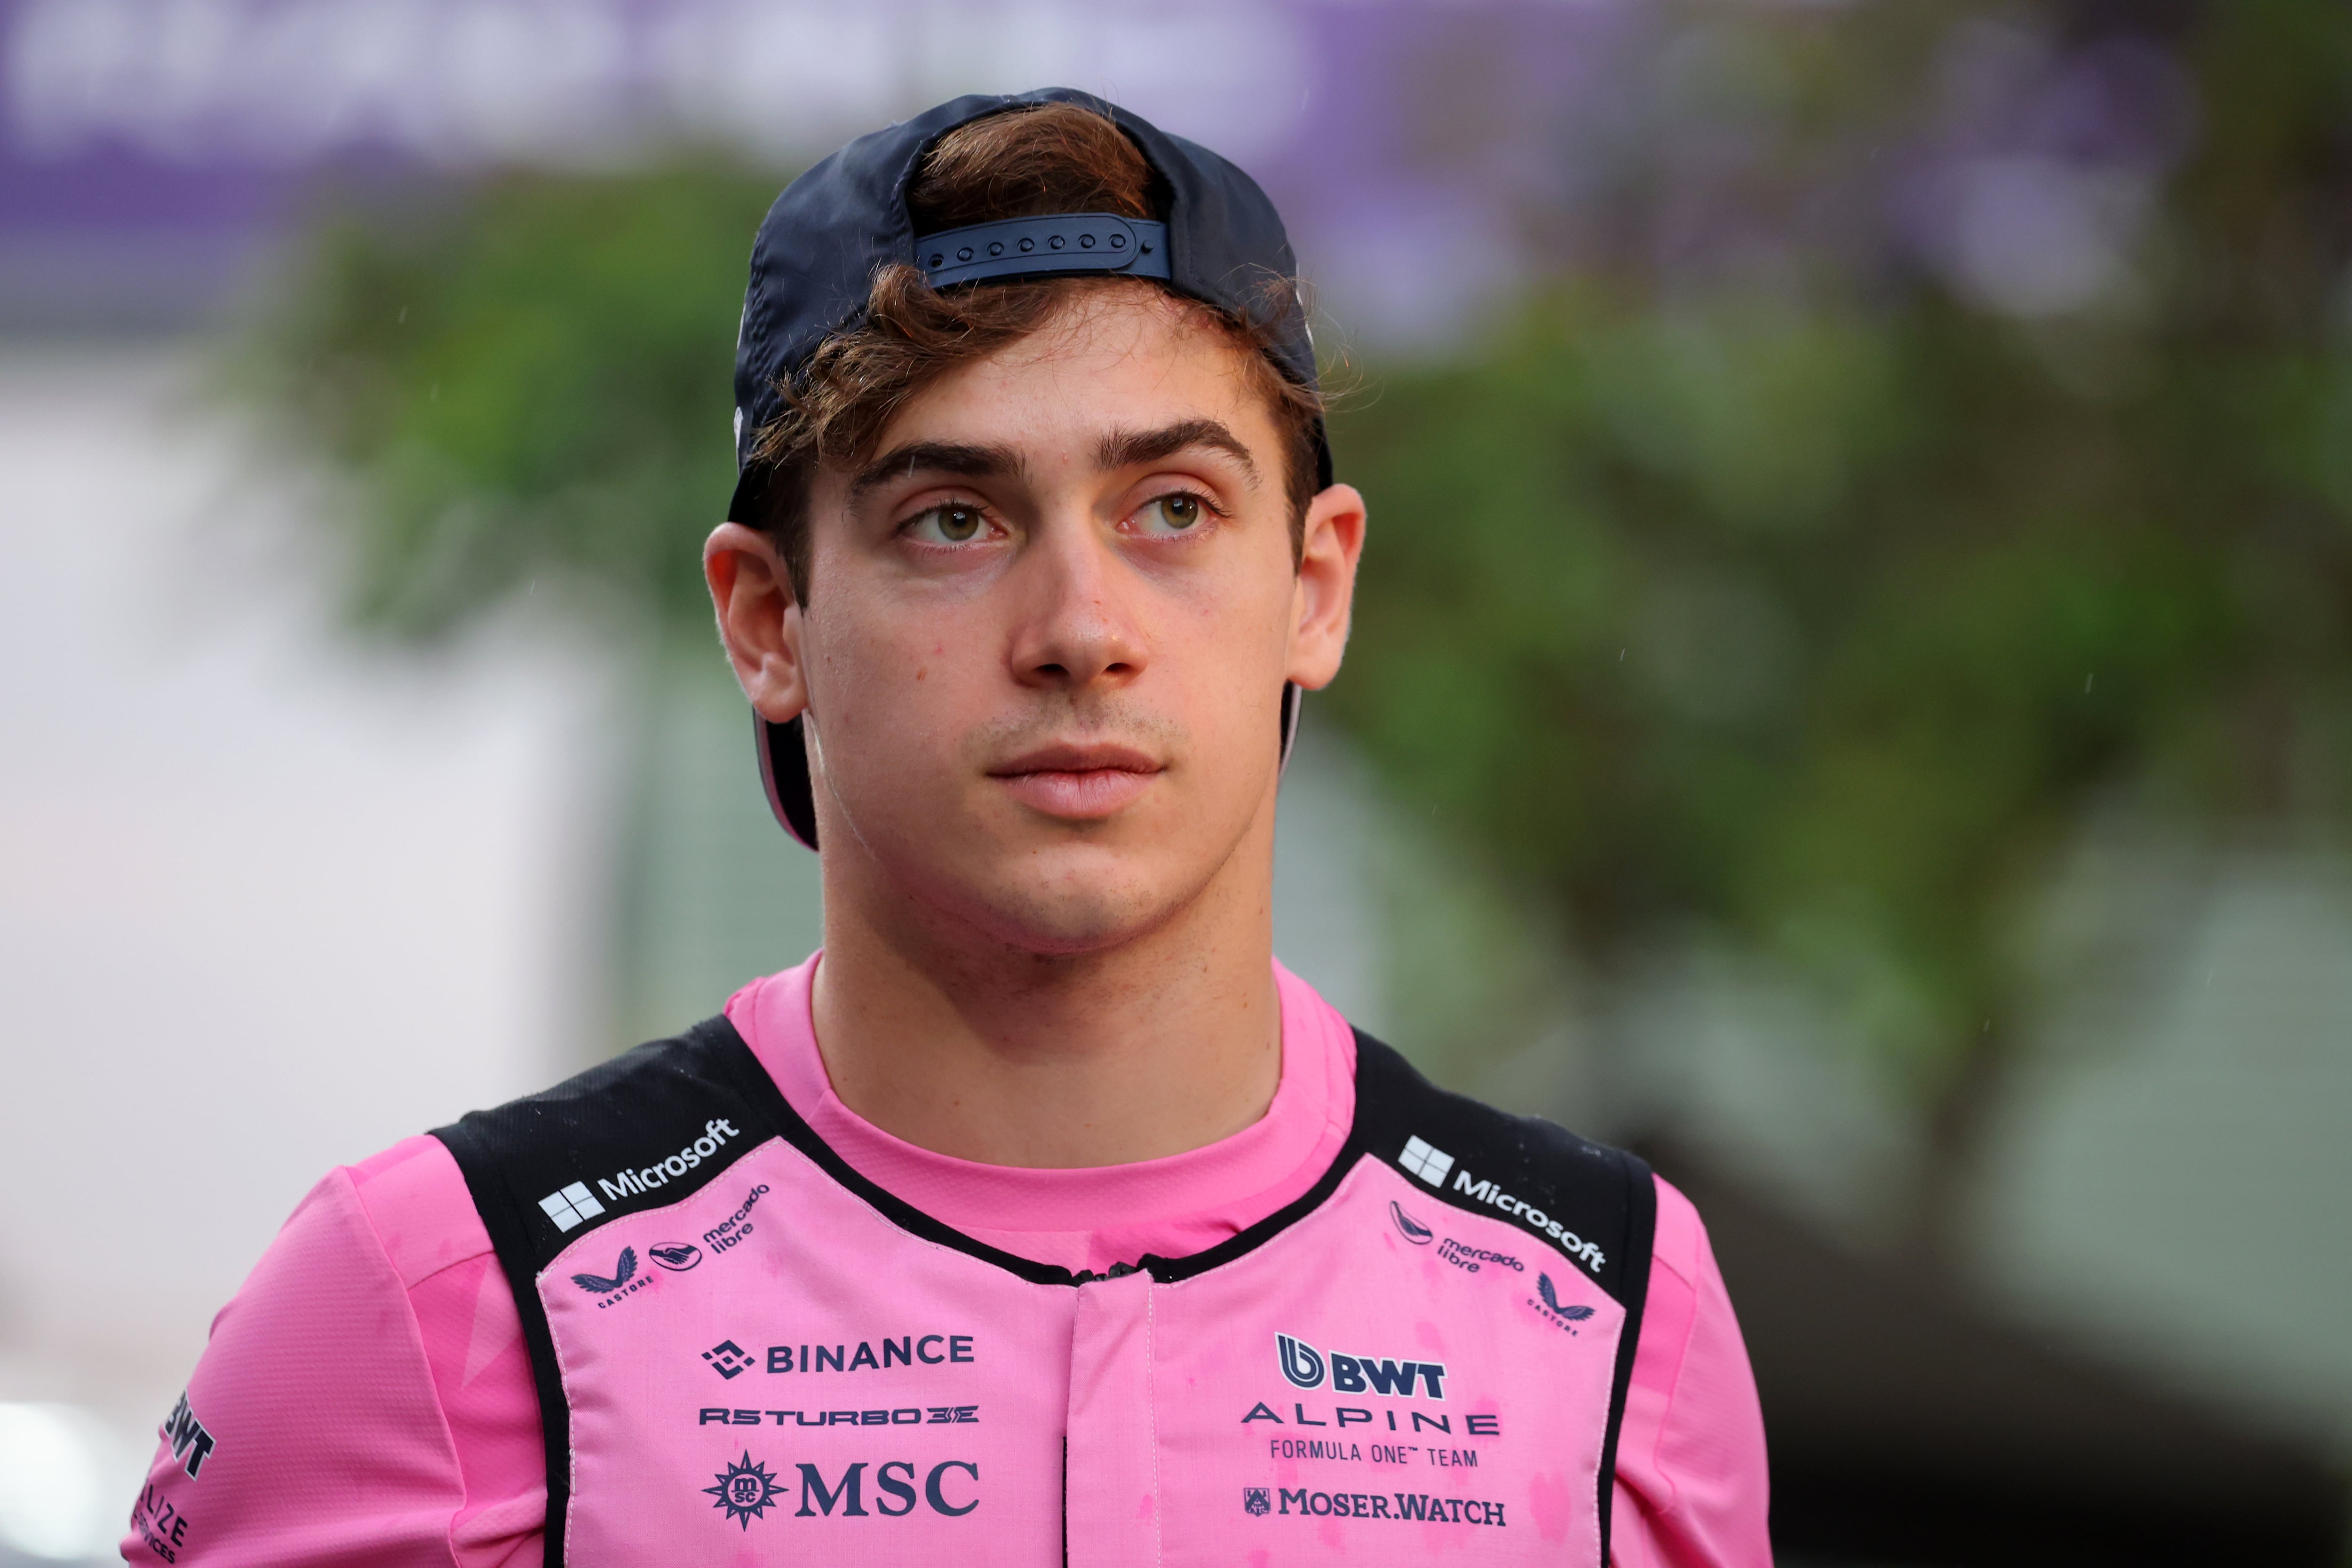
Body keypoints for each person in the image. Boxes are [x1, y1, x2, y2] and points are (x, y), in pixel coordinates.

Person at [122, 89, 1769, 1567]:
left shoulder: (1611, 1305)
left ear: (1316, 586)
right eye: (954, 518)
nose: (1079, 628)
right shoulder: (434, 1296)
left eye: (1174, 510)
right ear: (769, 619)